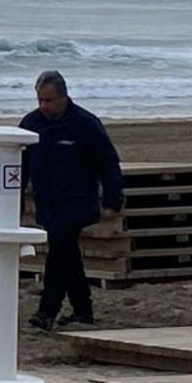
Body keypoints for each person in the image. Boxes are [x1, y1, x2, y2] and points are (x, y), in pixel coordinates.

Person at [21, 70, 123, 331]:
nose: (43, 106)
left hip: (77, 202)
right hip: (47, 202)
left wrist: (113, 201)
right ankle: (82, 310)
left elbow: (108, 163)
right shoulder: (31, 124)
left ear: (64, 97)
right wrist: (15, 201)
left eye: (48, 100)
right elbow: (19, 165)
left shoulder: (85, 124)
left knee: (59, 252)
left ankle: (47, 311)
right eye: (40, 100)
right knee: (68, 255)